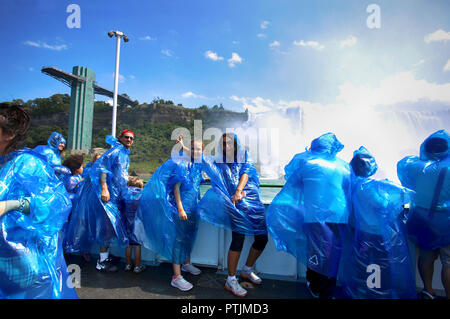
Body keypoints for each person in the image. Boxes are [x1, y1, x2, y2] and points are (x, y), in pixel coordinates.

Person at [0, 103, 77, 299]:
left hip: (19, 265)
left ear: (8, 133)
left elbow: (51, 207)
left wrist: (11, 205)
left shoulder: (28, 164)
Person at [266, 132, 351, 299]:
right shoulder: (344, 166)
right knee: (333, 253)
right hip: (340, 217)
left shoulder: (307, 163)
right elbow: (349, 189)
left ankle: (317, 287)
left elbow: (292, 180)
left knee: (317, 251)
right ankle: (326, 289)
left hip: (315, 217)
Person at [339, 146, 416, 299]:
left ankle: (363, 291)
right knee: (381, 265)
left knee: (363, 263)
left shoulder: (351, 184)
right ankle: (377, 293)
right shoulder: (367, 186)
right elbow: (381, 205)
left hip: (360, 233)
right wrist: (390, 196)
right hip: (375, 235)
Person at [196, 133, 268, 297]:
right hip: (235, 205)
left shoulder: (245, 155)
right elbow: (201, 159)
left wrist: (238, 191)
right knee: (238, 239)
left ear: (236, 145)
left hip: (253, 202)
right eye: (223, 144)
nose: (226, 146)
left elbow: (246, 172)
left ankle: (247, 270)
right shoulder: (218, 162)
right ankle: (231, 279)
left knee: (262, 238)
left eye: (229, 143)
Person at [134, 139, 204, 291]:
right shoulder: (182, 165)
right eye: (193, 149)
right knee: (178, 240)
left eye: (198, 149)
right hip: (182, 210)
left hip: (193, 209)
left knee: (188, 237)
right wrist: (180, 209)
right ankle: (176, 276)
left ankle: (186, 264)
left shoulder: (197, 166)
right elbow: (176, 189)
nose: (195, 151)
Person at [65, 130, 135, 272]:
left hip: (116, 195)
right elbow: (102, 170)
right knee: (106, 227)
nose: (129, 140)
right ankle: (102, 261)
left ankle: (105, 257)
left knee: (109, 228)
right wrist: (104, 189)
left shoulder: (124, 154)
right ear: (120, 138)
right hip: (108, 196)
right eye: (126, 137)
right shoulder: (115, 151)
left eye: (131, 138)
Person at [397, 129, 450, 299]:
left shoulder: (414, 166)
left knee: (426, 256)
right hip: (446, 221)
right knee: (448, 262)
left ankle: (428, 290)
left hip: (422, 220)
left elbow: (404, 172)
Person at [124, 176, 145, 273]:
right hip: (138, 224)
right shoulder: (142, 195)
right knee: (137, 246)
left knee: (128, 245)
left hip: (126, 223)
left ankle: (128, 265)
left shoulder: (125, 195)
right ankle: (137, 266)